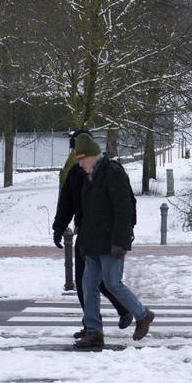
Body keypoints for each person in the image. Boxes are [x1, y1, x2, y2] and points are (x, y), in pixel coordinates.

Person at [69, 133, 155, 348]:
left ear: (93, 156)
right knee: (88, 285)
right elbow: (88, 212)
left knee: (112, 283)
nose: (80, 165)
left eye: (82, 160)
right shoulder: (89, 176)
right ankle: (93, 331)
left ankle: (143, 314)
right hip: (92, 243)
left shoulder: (113, 173)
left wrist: (120, 242)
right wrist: (84, 242)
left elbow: (124, 209)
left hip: (111, 241)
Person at [53, 129, 132, 340]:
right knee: (86, 282)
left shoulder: (110, 171)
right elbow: (66, 203)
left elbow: (126, 205)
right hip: (85, 235)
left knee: (105, 282)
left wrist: (125, 234)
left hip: (105, 235)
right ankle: (92, 326)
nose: (77, 156)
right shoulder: (75, 173)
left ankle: (125, 312)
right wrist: (59, 227)